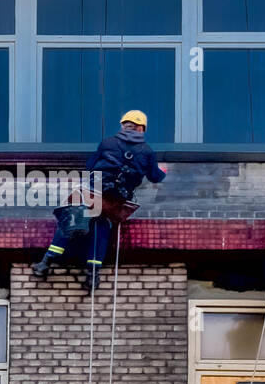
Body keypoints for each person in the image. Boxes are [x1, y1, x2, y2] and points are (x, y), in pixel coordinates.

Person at [31, 110, 168, 292]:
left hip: (94, 192)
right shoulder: (148, 152)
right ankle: (93, 275)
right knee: (101, 226)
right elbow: (155, 177)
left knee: (70, 218)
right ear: (141, 128)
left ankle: (45, 263)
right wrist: (163, 171)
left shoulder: (108, 143)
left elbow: (90, 166)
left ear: (123, 126)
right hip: (116, 201)